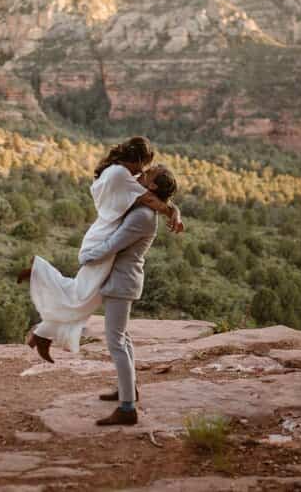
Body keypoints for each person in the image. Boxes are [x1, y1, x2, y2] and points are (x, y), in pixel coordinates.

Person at [18, 137, 182, 363]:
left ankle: (41, 334)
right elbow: (155, 201)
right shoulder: (120, 175)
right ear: (135, 159)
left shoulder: (119, 172)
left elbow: (152, 197)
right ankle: (39, 272)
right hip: (105, 239)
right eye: (143, 165)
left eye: (147, 170)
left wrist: (175, 211)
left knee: (86, 296)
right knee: (82, 293)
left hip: (104, 233)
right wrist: (174, 213)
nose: (142, 171)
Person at [86, 164, 178, 426]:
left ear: (154, 187)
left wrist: (88, 257)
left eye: (149, 174)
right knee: (123, 338)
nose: (143, 173)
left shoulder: (143, 217)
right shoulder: (146, 207)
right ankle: (128, 389)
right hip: (123, 280)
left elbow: (114, 244)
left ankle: (127, 408)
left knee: (115, 341)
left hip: (122, 281)